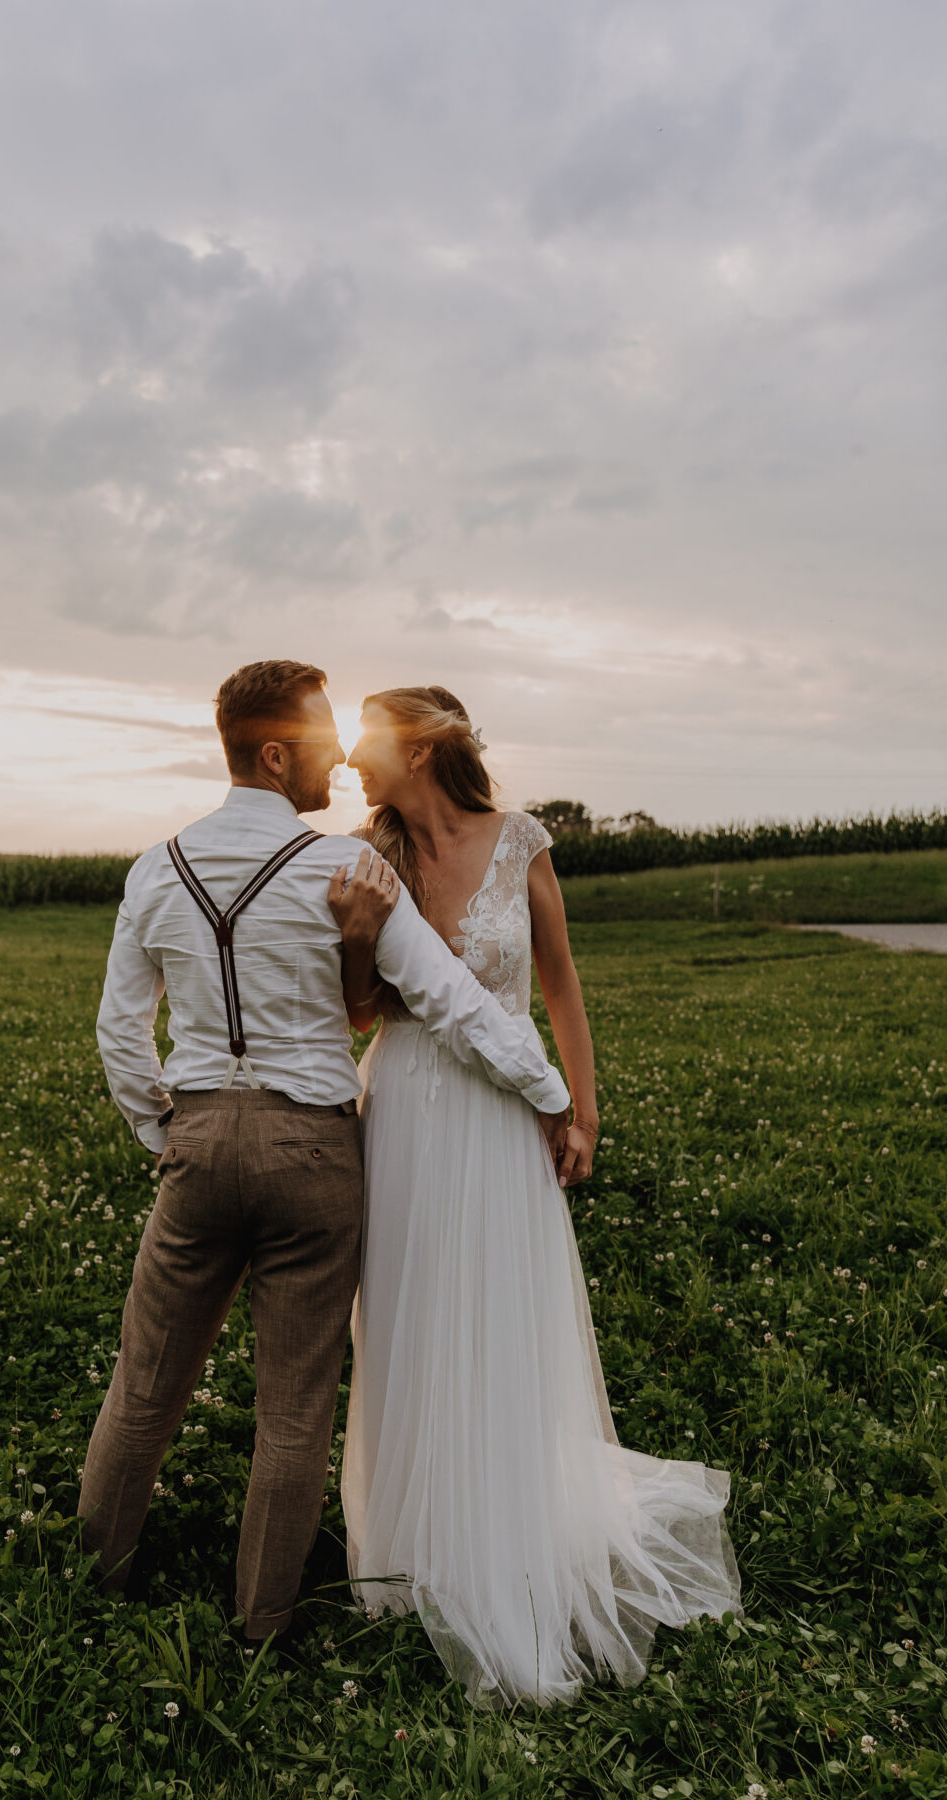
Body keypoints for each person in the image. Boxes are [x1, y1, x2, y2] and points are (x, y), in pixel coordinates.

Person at [78, 661, 573, 1647]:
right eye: (315, 742)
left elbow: (119, 1030)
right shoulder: (348, 876)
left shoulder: (155, 869)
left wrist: (161, 1126)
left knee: (145, 1378)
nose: (335, 760)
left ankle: (95, 1577)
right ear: (272, 753)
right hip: (312, 1152)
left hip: (203, 1136)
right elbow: (453, 1004)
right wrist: (550, 1092)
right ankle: (262, 1621)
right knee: (296, 1401)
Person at [331, 685, 741, 1707]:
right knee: (410, 1314)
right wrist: (356, 935)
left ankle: (511, 1519)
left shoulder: (522, 842)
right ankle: (418, 1536)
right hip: (410, 1112)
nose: (348, 763)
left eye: (365, 744)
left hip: (505, 1118)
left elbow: (560, 986)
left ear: (422, 751)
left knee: (502, 1311)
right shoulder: (367, 856)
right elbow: (357, 1010)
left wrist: (583, 1110)